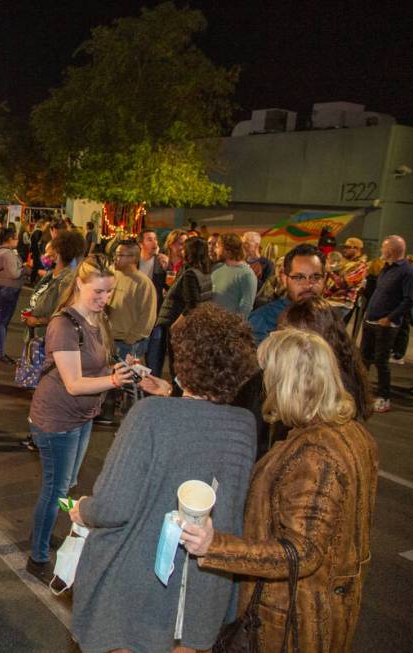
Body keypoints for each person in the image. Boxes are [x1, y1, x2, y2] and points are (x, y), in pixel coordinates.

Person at [69, 304, 258, 653]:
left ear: (184, 364)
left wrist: (83, 510)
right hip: (204, 586)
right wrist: (172, 393)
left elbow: (113, 506)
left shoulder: (149, 416)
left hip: (140, 584)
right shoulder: (244, 426)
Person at [182, 328, 379, 653]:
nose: (266, 386)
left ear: (287, 383)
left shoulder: (316, 453)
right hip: (323, 612)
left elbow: (301, 553)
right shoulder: (354, 435)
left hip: (289, 621)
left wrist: (214, 546)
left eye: (270, 375)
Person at [26, 256, 132, 581]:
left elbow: (94, 366)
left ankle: (50, 533)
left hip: (82, 415)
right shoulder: (63, 324)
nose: (105, 299)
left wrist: (118, 368)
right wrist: (114, 381)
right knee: (55, 487)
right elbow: (73, 384)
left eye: (110, 292)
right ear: (79, 285)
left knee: (67, 484)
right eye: (98, 292)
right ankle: (38, 555)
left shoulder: (96, 319)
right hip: (56, 419)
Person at [360, 235, 413, 413]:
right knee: (363, 359)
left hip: (385, 325)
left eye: (383, 248)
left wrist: (390, 318)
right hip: (371, 321)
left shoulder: (407, 272)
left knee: (381, 362)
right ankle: (359, 391)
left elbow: (410, 300)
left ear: (392, 250)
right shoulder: (386, 268)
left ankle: (384, 398)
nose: (381, 251)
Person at [149, 236, 212, 377]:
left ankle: (177, 394)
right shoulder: (203, 270)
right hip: (192, 326)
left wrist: (175, 325)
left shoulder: (191, 273)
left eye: (185, 247)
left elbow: (192, 304)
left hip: (180, 324)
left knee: (177, 366)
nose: (182, 250)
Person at [248, 243, 325, 345]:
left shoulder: (330, 319)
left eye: (315, 277)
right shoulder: (261, 320)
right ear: (284, 279)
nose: (308, 285)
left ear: (325, 278)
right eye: (299, 277)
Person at [22, 230, 87, 337]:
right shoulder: (50, 275)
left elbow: (66, 316)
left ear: (58, 251)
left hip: (49, 338)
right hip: (35, 337)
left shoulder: (67, 281)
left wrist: (37, 321)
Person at [0, 227, 25, 364]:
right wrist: (23, 269)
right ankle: (0, 352)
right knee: (2, 322)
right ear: (9, 239)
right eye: (16, 238)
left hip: (1, 287)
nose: (18, 240)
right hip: (8, 289)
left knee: (0, 320)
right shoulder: (8, 254)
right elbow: (14, 274)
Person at [211, 232, 258, 318]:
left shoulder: (246, 274)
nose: (215, 250)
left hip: (228, 327)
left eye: (217, 247)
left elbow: (246, 308)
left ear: (227, 249)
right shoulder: (216, 268)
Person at [323, 236, 368, 322]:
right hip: (330, 301)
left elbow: (345, 285)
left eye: (347, 247)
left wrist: (330, 272)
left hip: (341, 304)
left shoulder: (360, 266)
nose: (344, 250)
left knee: (329, 331)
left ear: (357, 249)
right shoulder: (344, 262)